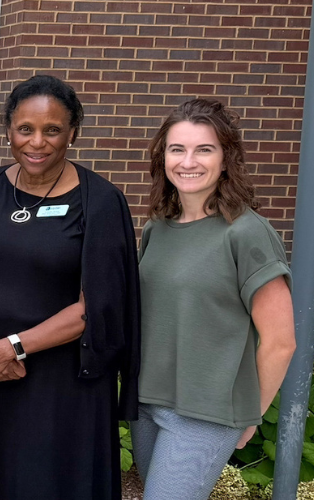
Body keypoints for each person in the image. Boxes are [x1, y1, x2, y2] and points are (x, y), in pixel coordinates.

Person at [0, 75, 140, 500]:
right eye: (25, 129)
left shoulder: (101, 201)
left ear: (72, 133)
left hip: (61, 384)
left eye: (53, 130)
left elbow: (97, 303)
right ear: (8, 130)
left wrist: (11, 348)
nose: (37, 142)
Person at [133, 98, 295, 500]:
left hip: (206, 412)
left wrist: (251, 413)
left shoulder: (247, 232)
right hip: (146, 401)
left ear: (226, 159)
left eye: (204, 149)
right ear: (163, 158)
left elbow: (280, 342)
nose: (188, 161)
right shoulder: (157, 228)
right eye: (177, 149)